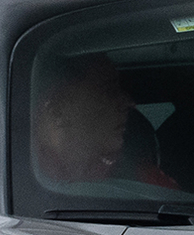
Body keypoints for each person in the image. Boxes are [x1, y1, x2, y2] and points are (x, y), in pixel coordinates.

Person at [32, 55, 177, 188]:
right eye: (108, 90)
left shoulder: (146, 182)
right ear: (57, 108)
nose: (129, 102)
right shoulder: (18, 179)